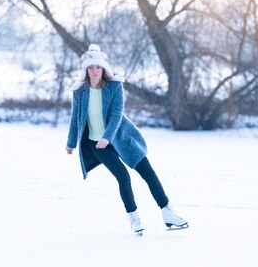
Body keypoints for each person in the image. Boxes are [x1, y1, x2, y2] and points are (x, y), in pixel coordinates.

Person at [65, 44, 188, 234]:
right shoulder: (79, 91)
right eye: (91, 67)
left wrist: (108, 136)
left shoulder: (114, 86)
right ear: (86, 70)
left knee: (149, 174)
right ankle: (134, 217)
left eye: (98, 67)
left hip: (121, 137)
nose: (95, 71)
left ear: (103, 68)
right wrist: (71, 142)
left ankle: (168, 212)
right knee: (123, 176)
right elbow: (76, 118)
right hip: (97, 144)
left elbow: (116, 115)